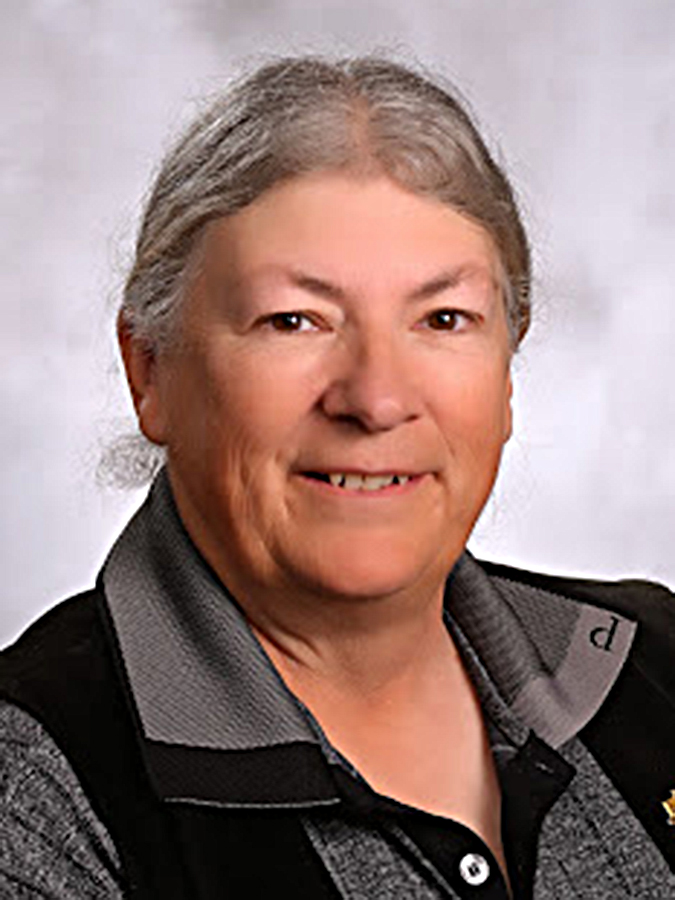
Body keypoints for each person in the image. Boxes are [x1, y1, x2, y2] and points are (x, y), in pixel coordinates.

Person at [1, 54, 674, 900]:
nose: (376, 399)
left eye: (442, 318)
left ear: (506, 372)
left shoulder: (653, 663)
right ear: (150, 372)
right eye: (294, 320)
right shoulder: (36, 801)